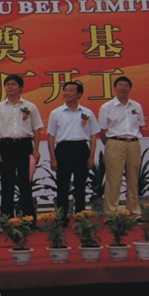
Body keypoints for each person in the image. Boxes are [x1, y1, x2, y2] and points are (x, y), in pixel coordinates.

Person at [0, 74, 43, 220]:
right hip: (6, 146)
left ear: (20, 88)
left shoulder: (30, 107)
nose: (10, 87)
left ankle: (28, 219)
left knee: (25, 183)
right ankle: (7, 219)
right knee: (7, 184)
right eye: (7, 84)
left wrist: (36, 149)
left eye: (13, 84)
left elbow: (37, 129)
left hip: (24, 145)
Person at [46, 81, 100, 227]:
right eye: (65, 90)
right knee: (62, 185)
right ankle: (62, 218)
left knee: (80, 185)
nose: (67, 93)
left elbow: (93, 135)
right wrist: (53, 158)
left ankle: (80, 216)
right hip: (63, 149)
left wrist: (91, 156)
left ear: (79, 94)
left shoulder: (87, 113)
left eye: (71, 91)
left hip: (82, 149)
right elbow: (51, 136)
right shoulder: (56, 113)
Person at [98, 76, 145, 215]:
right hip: (114, 143)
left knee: (133, 180)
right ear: (115, 88)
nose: (123, 88)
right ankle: (111, 213)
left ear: (130, 88)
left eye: (126, 85)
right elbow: (102, 130)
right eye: (120, 85)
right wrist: (111, 144)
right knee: (113, 180)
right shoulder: (106, 107)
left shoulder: (136, 106)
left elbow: (140, 126)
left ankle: (133, 212)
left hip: (133, 144)